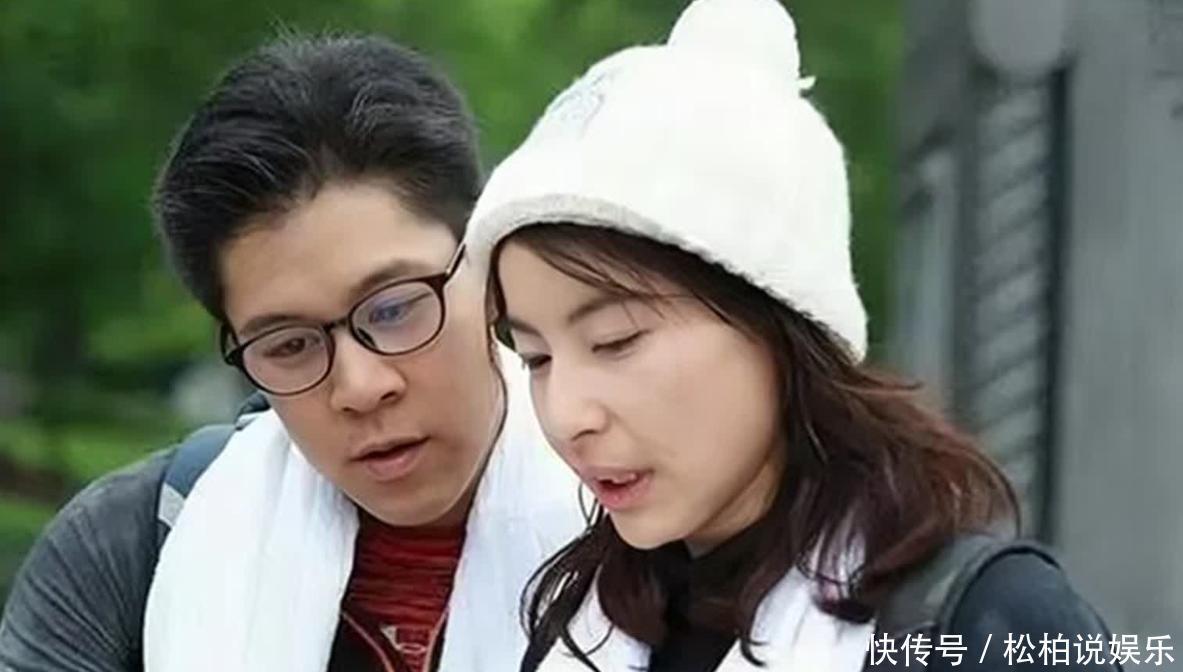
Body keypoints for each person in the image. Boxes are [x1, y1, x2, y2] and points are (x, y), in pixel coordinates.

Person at [463, 0, 1120, 670]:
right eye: (536, 358)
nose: (566, 415)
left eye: (615, 341)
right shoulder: (580, 628)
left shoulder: (983, 623)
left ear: (778, 323)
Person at [0, 34, 580, 672]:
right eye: (290, 345)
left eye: (393, 309)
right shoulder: (133, 549)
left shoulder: (648, 532)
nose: (360, 387)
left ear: (490, 268)